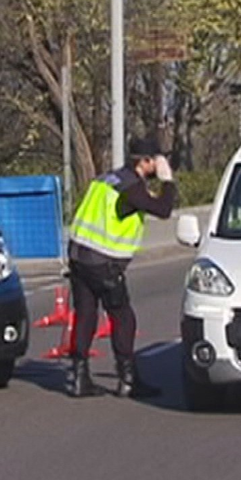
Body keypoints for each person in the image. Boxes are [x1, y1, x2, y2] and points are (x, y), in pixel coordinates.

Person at [65, 136, 178, 398]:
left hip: (79, 255)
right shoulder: (131, 187)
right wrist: (168, 181)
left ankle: (78, 377)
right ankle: (128, 379)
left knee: (86, 314)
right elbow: (163, 209)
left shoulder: (107, 179)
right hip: (103, 261)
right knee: (123, 317)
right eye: (157, 160)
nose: (160, 163)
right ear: (146, 162)